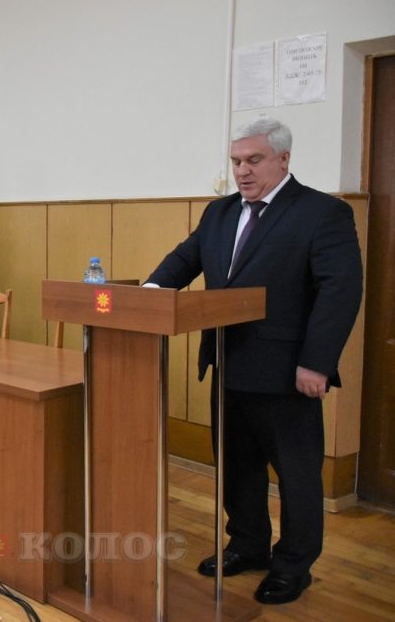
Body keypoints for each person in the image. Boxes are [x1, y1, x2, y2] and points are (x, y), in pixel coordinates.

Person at [145, 117, 363, 605]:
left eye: (254, 160)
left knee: (297, 475)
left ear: (283, 159)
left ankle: (293, 566)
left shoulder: (322, 212)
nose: (242, 170)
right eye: (236, 161)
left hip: (288, 372)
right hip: (228, 362)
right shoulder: (219, 213)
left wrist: (317, 363)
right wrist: (151, 292)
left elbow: (340, 291)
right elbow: (184, 260)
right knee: (237, 466)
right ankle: (247, 544)